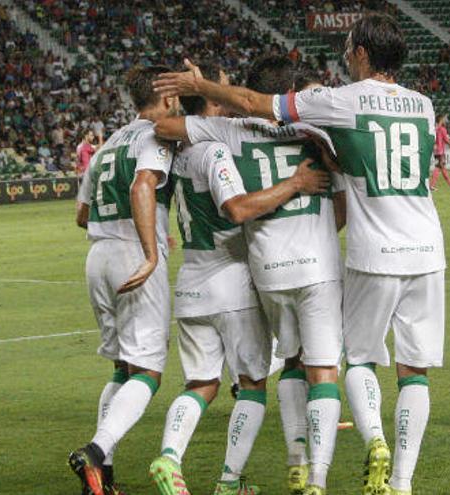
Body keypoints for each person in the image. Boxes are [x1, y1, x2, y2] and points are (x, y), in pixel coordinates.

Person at [154, 13, 445, 495]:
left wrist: (200, 86)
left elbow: (248, 106)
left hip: (355, 256)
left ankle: (320, 461)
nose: (346, 56)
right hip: (425, 248)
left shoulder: (330, 103)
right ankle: (400, 482)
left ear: (363, 54)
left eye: (350, 47)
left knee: (340, 362)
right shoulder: (422, 106)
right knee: (413, 370)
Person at [154, 55, 346, 495]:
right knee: (320, 371)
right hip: (308, 264)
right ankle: (310, 476)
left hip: (261, 269)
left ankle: (181, 458)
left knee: (285, 365)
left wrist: (196, 91)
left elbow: (164, 129)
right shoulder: (311, 129)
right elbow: (342, 180)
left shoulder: (226, 131)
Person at [69, 65, 178, 495]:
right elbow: (142, 186)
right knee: (148, 369)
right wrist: (150, 250)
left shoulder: (107, 143)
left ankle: (103, 479)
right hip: (135, 253)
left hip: (98, 255)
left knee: (121, 366)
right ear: (167, 98)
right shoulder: (156, 135)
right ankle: (94, 453)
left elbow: (81, 215)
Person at [430, 114, 450, 190]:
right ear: (441, 120)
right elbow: (446, 140)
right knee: (438, 167)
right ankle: (432, 185)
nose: (445, 121)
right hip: (440, 151)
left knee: (442, 167)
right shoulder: (442, 129)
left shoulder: (435, 129)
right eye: (444, 120)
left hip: (436, 151)